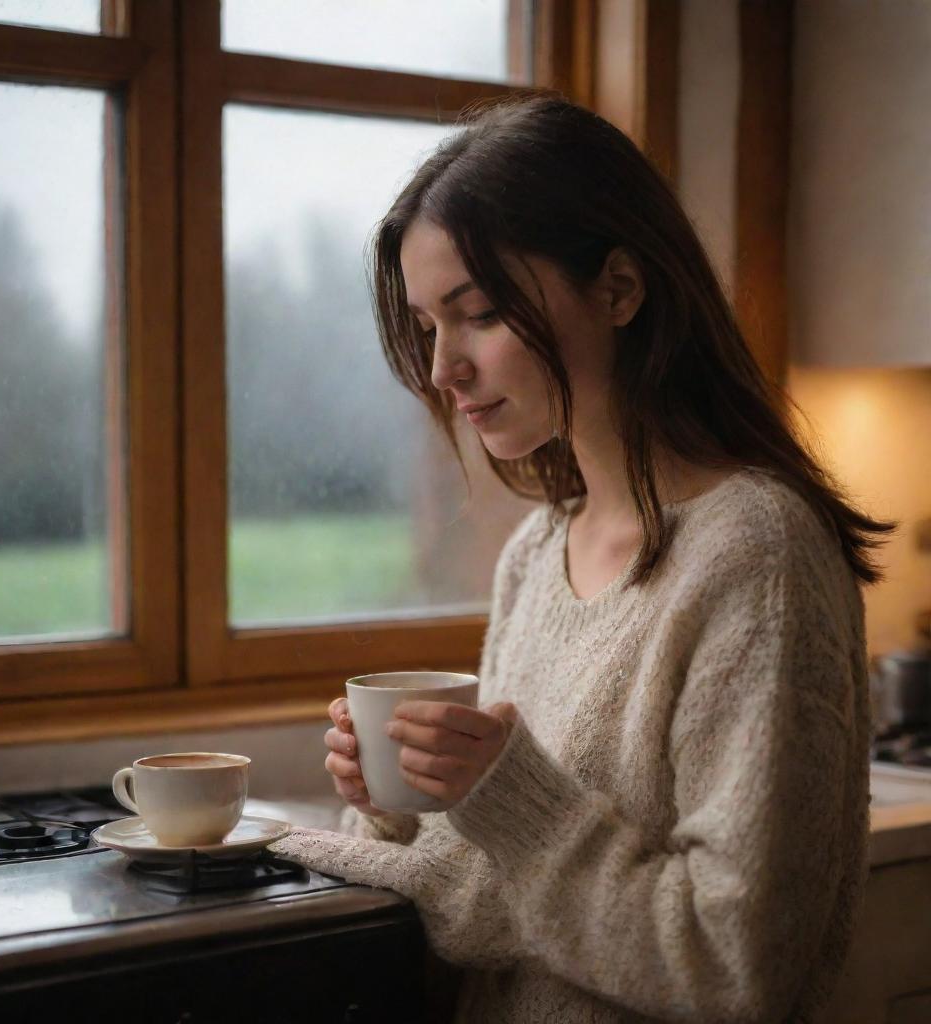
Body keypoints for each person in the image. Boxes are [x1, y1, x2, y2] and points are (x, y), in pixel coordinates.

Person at [270, 93, 893, 1023]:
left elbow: (741, 967)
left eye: (476, 313)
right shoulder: (536, 552)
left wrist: (509, 798)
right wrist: (400, 806)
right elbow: (496, 900)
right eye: (429, 326)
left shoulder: (758, 557)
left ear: (620, 288)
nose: (443, 369)